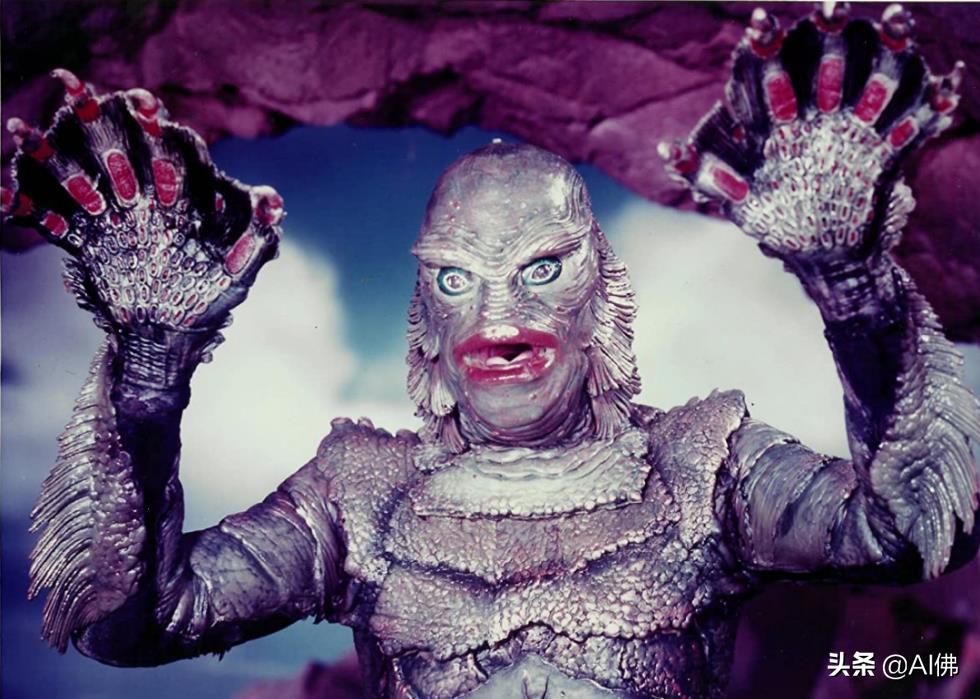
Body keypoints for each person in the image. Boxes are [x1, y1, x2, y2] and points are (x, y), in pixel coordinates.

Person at [4, 4, 978, 697]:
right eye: (455, 279)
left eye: (541, 269)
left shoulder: (701, 463)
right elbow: (132, 625)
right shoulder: (357, 495)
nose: (496, 312)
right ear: (423, 321)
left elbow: (901, 533)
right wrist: (149, 369)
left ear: (601, 293)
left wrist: (851, 279)